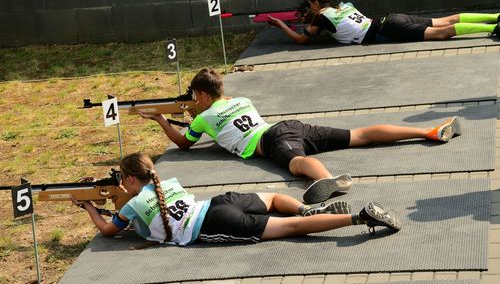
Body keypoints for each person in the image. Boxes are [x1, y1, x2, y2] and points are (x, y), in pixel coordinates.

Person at [140, 68, 461, 204]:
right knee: (359, 134)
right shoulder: (241, 101)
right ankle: (428, 131)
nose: (195, 102)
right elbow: (221, 121)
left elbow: (184, 143)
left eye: (195, 97)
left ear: (202, 94)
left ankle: (328, 180)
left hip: (270, 142)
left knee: (295, 164)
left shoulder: (204, 118)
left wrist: (160, 120)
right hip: (289, 126)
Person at [72, 152, 401, 245]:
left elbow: (107, 230)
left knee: (288, 230)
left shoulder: (131, 204)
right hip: (217, 202)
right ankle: (304, 208)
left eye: (120, 179)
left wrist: (88, 206)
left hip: (214, 223)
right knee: (273, 197)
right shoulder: (166, 181)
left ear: (129, 179)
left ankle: (358, 218)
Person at [267, 0, 500, 45]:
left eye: (310, 5)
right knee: (447, 19)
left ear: (316, 3)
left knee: (441, 33)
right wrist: (306, 18)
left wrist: (281, 25)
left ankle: (492, 29)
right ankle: (494, 17)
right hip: (388, 19)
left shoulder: (320, 17)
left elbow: (301, 39)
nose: (310, 9)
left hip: (386, 28)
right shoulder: (343, 5)